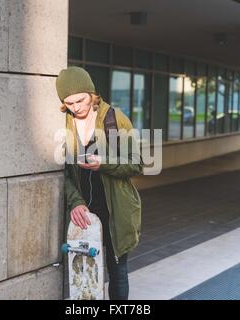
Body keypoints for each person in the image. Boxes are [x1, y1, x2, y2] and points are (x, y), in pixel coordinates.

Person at [55, 66, 143, 300]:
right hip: (84, 212)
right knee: (84, 274)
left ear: (91, 94)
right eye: (70, 103)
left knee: (117, 273)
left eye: (81, 100)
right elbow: (59, 172)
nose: (77, 108)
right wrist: (75, 202)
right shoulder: (64, 125)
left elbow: (136, 164)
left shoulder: (115, 119)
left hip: (116, 212)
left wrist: (103, 163)